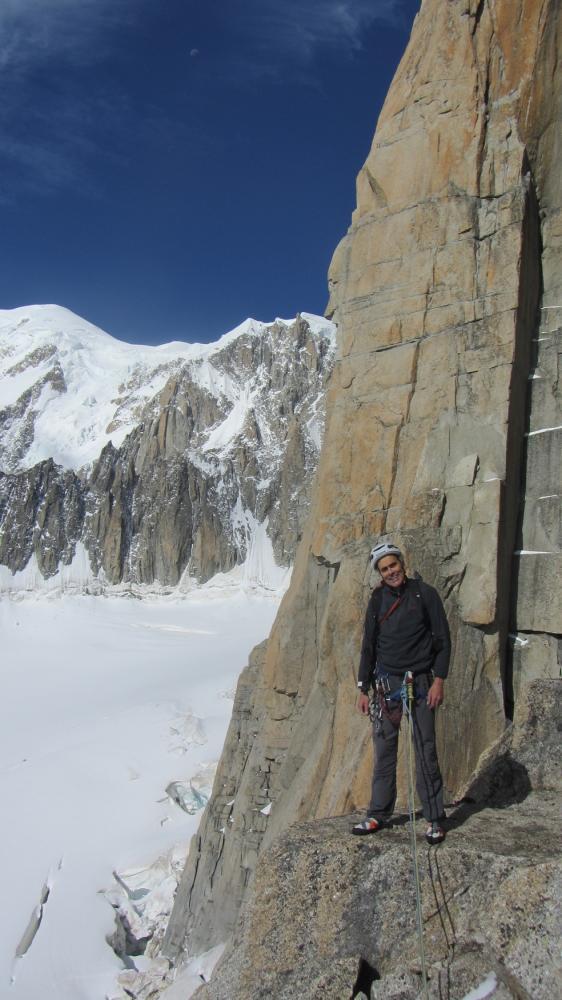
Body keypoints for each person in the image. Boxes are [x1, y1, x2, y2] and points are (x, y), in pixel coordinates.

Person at [352, 541, 451, 844]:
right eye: (385, 569)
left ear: (402, 564)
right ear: (379, 574)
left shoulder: (425, 594)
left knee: (425, 751)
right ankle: (378, 813)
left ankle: (434, 818)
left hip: (420, 682)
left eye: (393, 565)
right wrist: (362, 687)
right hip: (386, 685)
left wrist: (439, 681)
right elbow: (369, 645)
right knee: (384, 753)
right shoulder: (377, 600)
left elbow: (443, 640)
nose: (391, 571)